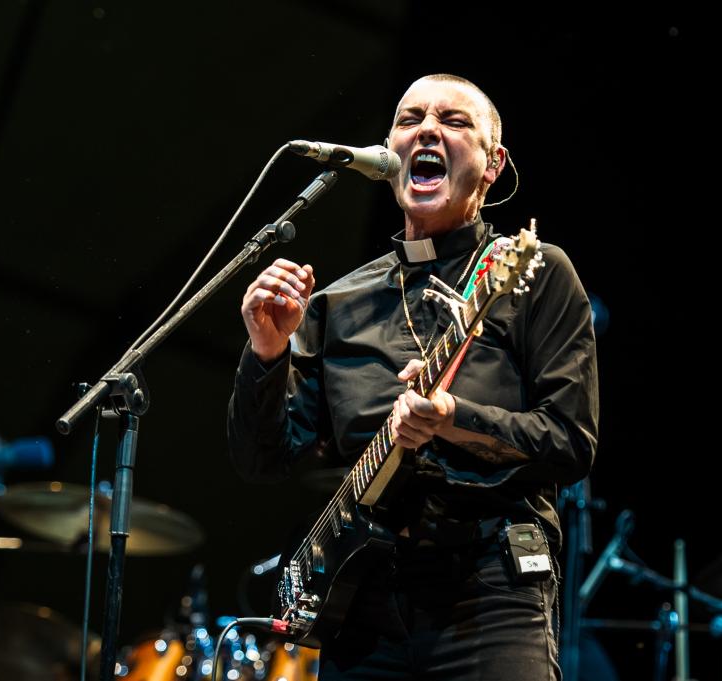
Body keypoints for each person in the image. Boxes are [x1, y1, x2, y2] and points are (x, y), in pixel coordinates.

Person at [228, 73, 599, 680]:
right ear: (388, 157)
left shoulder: (533, 271)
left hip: (491, 587)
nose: (427, 129)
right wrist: (266, 354)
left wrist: (455, 421)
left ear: (492, 165)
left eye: (454, 122)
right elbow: (261, 461)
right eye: (409, 119)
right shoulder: (336, 303)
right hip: (359, 600)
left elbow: (571, 441)